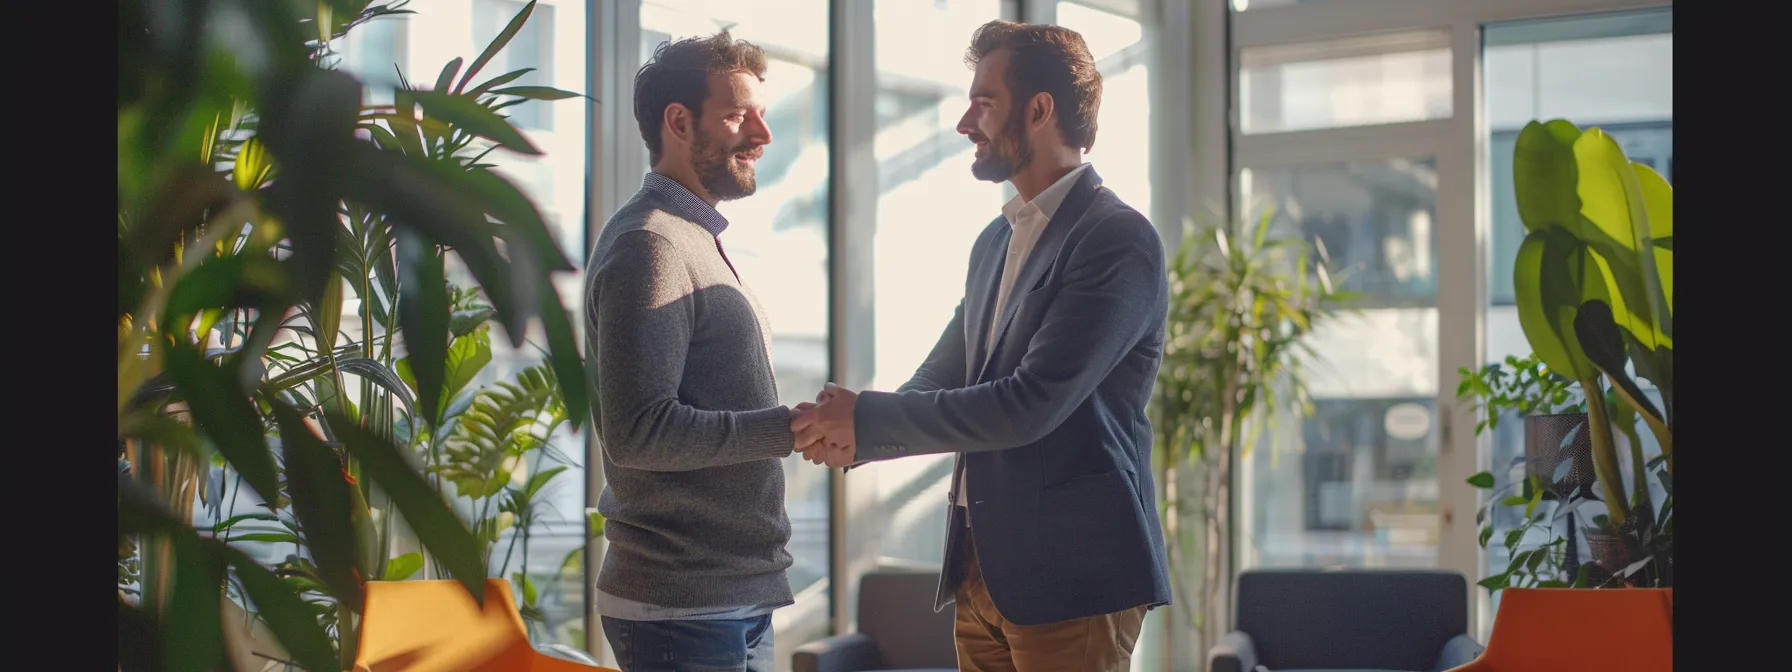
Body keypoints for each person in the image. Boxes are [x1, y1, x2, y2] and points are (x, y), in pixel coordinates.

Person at [790, 20, 1172, 672]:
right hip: (981, 569)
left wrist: (868, 418)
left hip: (1070, 578)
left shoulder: (1116, 240)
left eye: (984, 103)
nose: (966, 122)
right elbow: (947, 372)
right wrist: (860, 433)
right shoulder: (994, 243)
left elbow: (1029, 404)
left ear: (1040, 109)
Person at [585, 31, 825, 672]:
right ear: (679, 121)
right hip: (684, 607)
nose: (762, 136)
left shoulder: (691, 237)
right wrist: (787, 429)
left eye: (763, 116)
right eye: (737, 114)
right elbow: (638, 433)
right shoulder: (652, 245)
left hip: (725, 599)